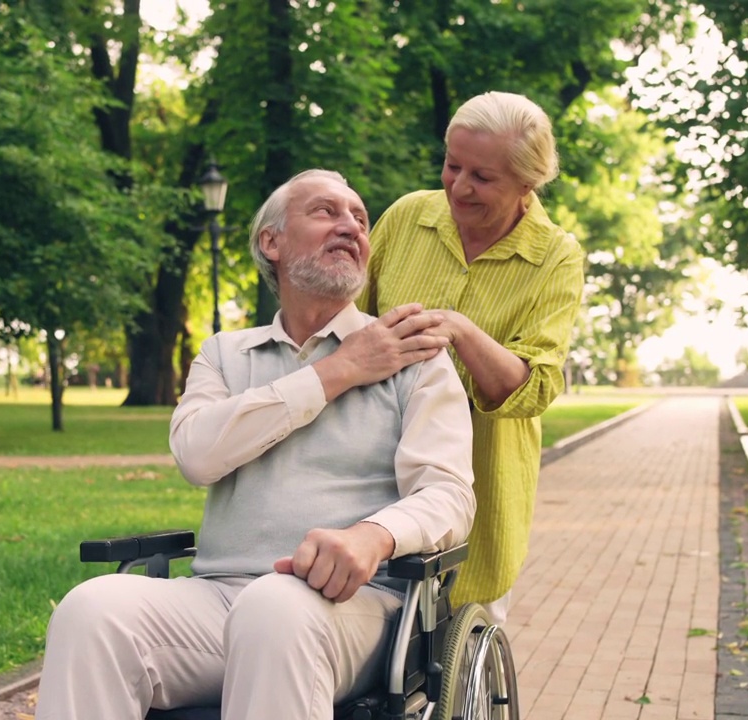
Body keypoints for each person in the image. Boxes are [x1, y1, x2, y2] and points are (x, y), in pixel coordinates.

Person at [35, 169, 476, 719]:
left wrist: (373, 536)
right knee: (91, 609)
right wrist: (337, 371)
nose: (351, 227)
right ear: (271, 242)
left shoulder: (414, 355)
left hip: (353, 609)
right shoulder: (225, 354)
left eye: (360, 219)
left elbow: (449, 495)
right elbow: (197, 455)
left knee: (275, 608)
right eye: (325, 212)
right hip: (217, 598)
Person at [359, 91, 586, 626]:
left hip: (480, 487)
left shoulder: (555, 258)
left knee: (457, 645)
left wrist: (461, 330)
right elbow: (344, 331)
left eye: (482, 177)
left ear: (527, 183)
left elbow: (535, 388)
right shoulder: (407, 217)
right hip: (366, 473)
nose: (459, 186)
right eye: (452, 165)